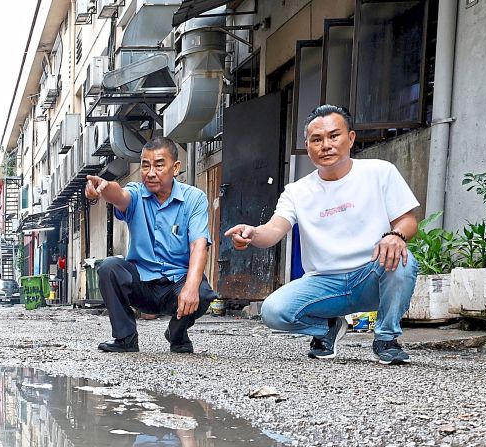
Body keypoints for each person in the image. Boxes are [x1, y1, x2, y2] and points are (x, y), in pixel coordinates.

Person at [224, 104, 420, 365]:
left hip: (371, 274)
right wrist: (251, 233)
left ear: (350, 138)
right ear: (308, 146)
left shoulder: (379, 172)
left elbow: (407, 220)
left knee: (403, 261)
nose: (325, 145)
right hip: (323, 284)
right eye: (317, 139)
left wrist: (395, 235)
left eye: (334, 136)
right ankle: (327, 327)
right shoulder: (297, 191)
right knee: (273, 311)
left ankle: (386, 338)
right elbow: (273, 230)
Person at [84, 136, 217, 354]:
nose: (151, 172)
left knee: (201, 290)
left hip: (176, 286)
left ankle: (177, 334)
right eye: (145, 165)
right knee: (109, 267)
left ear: (175, 168)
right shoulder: (137, 193)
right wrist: (104, 188)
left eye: (159, 164)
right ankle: (125, 338)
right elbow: (119, 195)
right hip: (142, 285)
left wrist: (191, 287)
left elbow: (198, 245)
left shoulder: (194, 199)